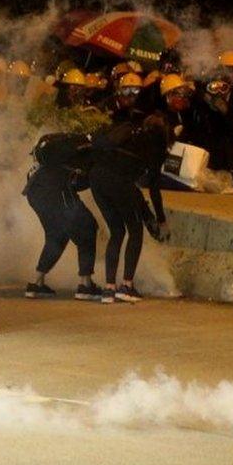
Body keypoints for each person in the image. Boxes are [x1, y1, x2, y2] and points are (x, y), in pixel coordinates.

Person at [89, 75, 169, 304]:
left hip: (98, 178)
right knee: (135, 231)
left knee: (117, 231)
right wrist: (160, 220)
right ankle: (127, 286)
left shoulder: (130, 131)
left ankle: (108, 288)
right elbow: (153, 188)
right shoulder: (155, 146)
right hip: (118, 180)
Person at [23, 133, 100, 301]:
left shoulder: (57, 152)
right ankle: (85, 285)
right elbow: (84, 182)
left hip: (34, 192)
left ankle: (36, 284)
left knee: (56, 235)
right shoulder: (90, 152)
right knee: (88, 228)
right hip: (58, 191)